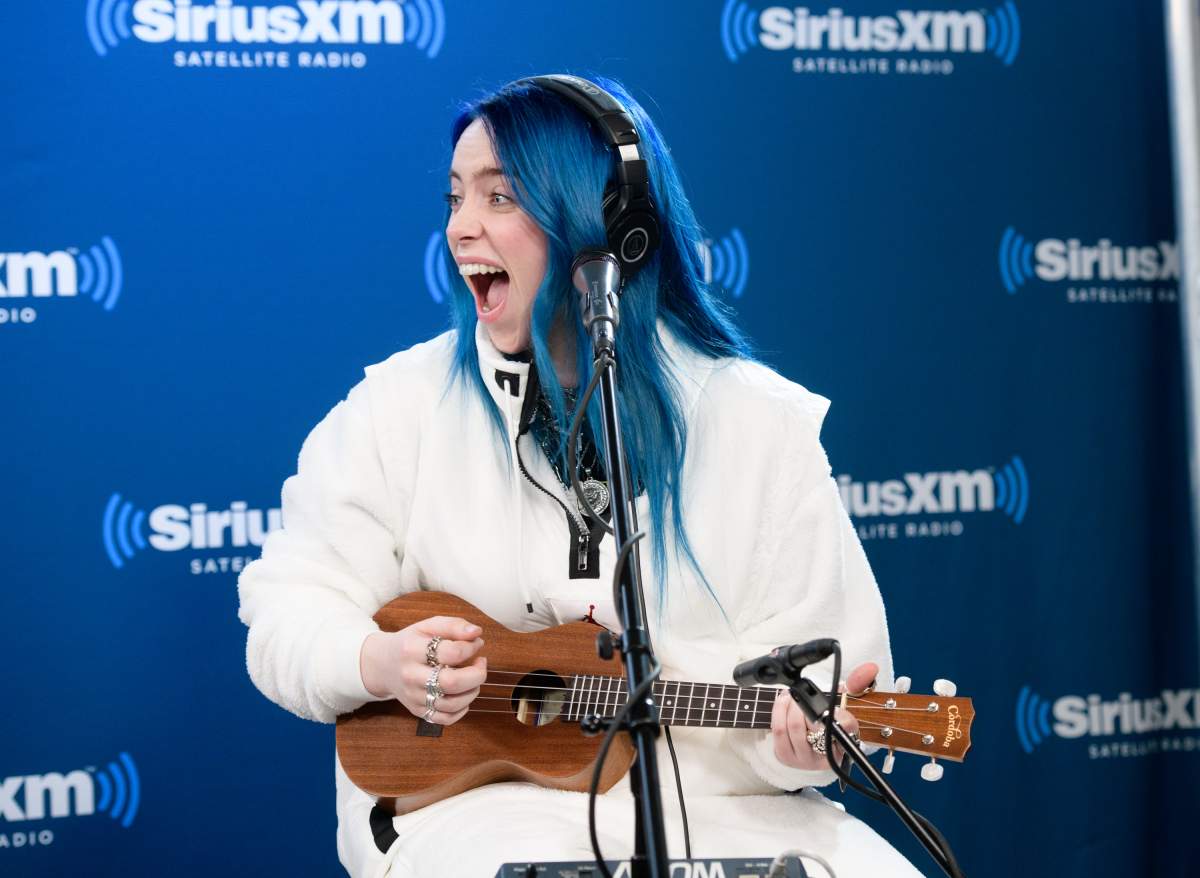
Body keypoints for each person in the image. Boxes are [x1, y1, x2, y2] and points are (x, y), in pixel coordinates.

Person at [237, 75, 922, 878]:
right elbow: (287, 609)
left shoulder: (760, 423)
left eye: (499, 197)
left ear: (609, 229)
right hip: (483, 810)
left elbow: (837, 686)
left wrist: (800, 747)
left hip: (733, 808)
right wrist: (372, 660)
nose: (460, 227)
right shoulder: (397, 407)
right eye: (455, 198)